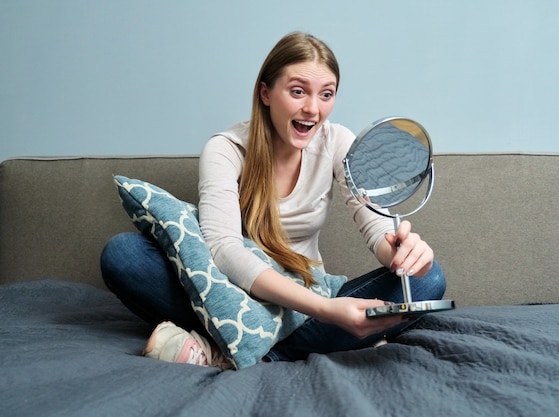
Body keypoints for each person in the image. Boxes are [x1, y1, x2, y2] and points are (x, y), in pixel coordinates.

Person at [100, 31, 446, 370]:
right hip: (237, 296)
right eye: (298, 91)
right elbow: (223, 250)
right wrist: (324, 311)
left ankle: (240, 352)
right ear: (266, 93)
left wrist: (404, 255)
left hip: (306, 296)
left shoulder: (337, 142)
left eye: (326, 94)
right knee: (124, 255)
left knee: (427, 281)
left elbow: (375, 225)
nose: (313, 108)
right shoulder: (225, 149)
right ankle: (298, 345)